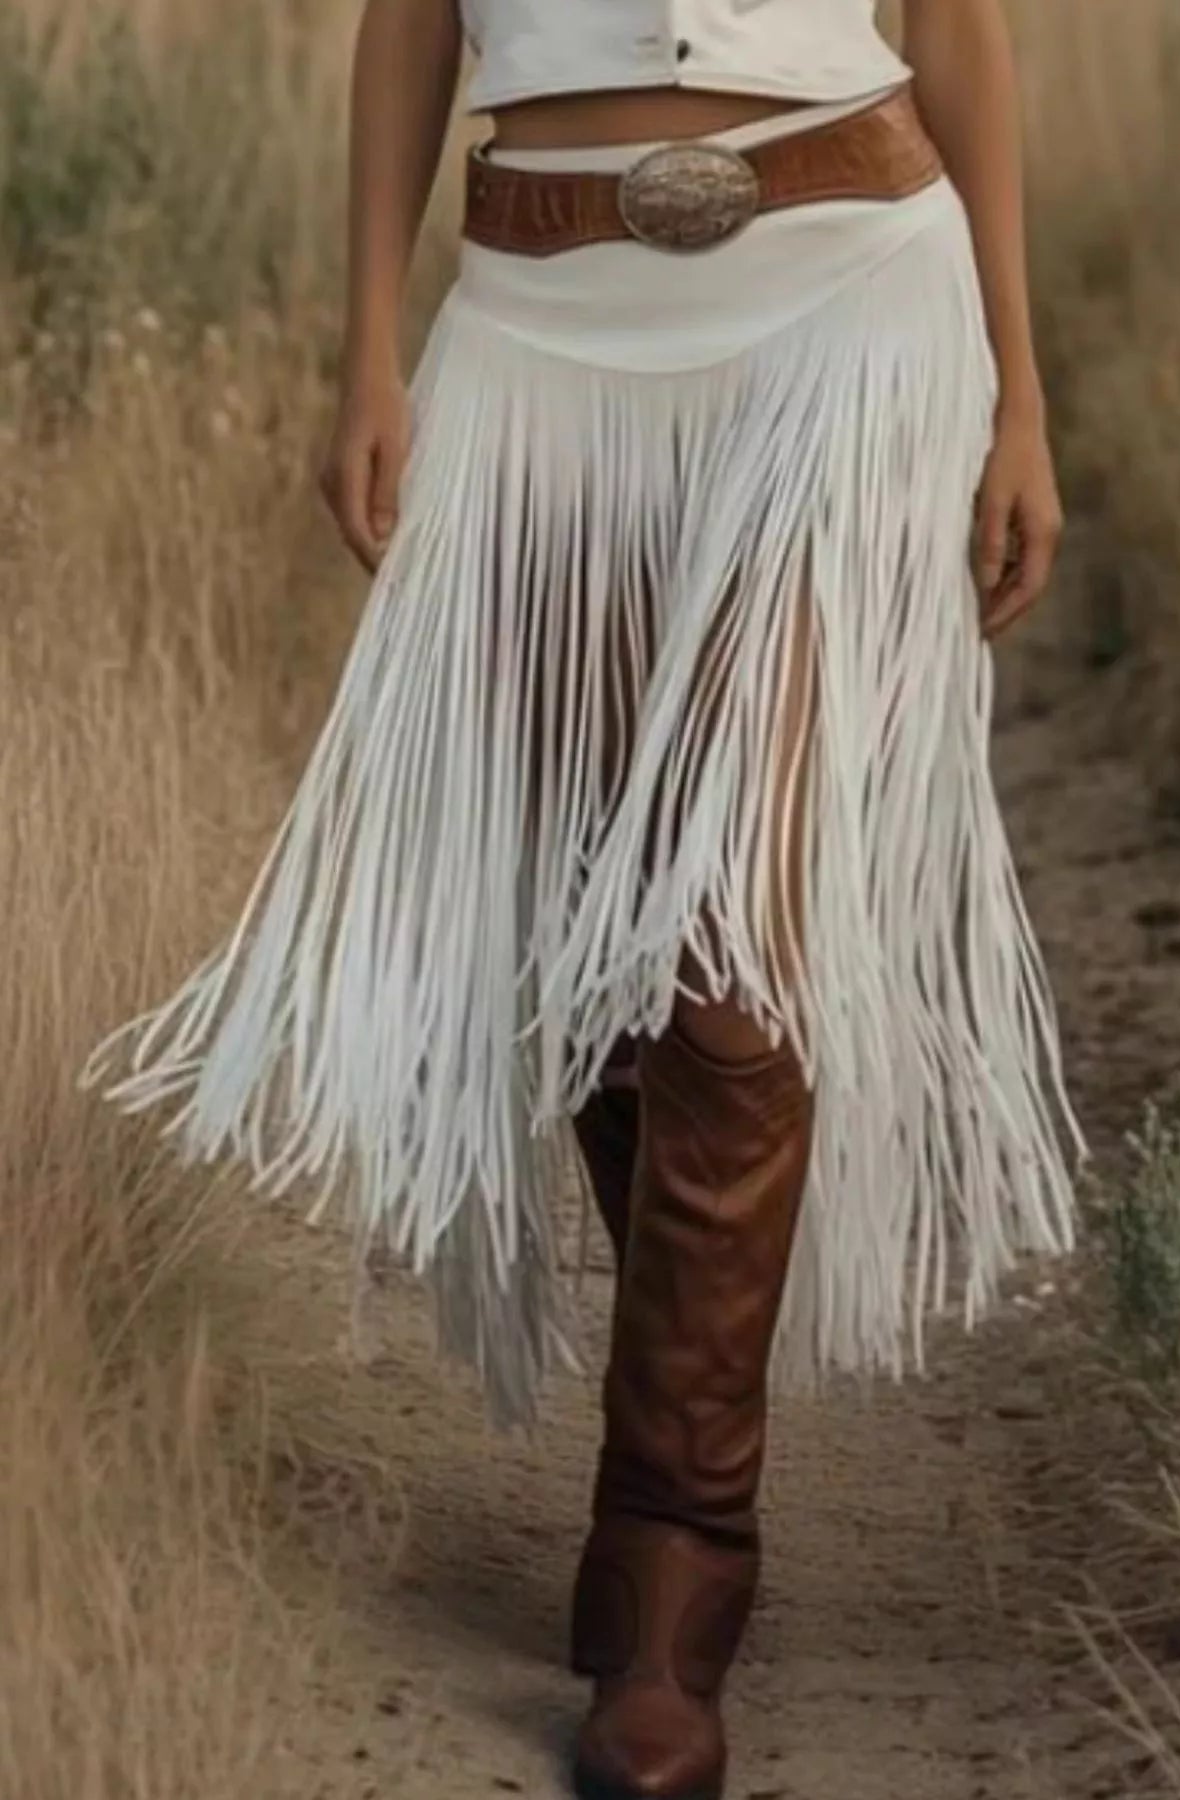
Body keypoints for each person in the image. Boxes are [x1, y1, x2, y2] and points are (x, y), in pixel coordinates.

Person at [79, 3, 1089, 1795]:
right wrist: (369, 355)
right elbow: (409, 24)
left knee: (724, 960)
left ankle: (672, 1555)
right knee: (605, 973)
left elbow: (954, 19)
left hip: (846, 298)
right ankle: (675, 1458)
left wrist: (1018, 390)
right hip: (538, 323)